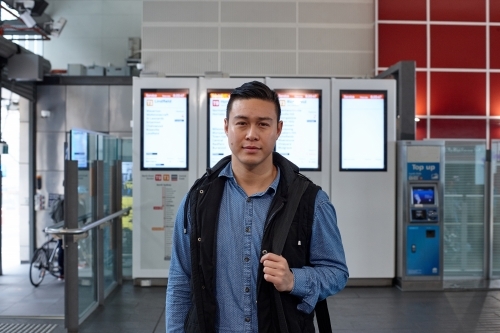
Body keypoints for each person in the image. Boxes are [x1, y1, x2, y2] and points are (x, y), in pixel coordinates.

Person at [166, 81, 348, 332]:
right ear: (227, 127)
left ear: (278, 129)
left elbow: (336, 272)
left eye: (263, 124)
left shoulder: (311, 201)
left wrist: (294, 279)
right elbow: (180, 280)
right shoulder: (197, 201)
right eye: (242, 123)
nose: (252, 134)